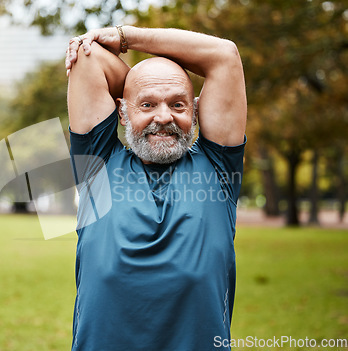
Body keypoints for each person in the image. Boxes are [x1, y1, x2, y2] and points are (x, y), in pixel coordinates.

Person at [65, 25, 247, 351]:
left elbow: (224, 56)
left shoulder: (219, 169)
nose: (163, 117)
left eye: (178, 105)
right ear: (121, 111)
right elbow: (88, 61)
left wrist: (126, 38)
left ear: (195, 110)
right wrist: (141, 85)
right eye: (147, 106)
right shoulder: (97, 167)